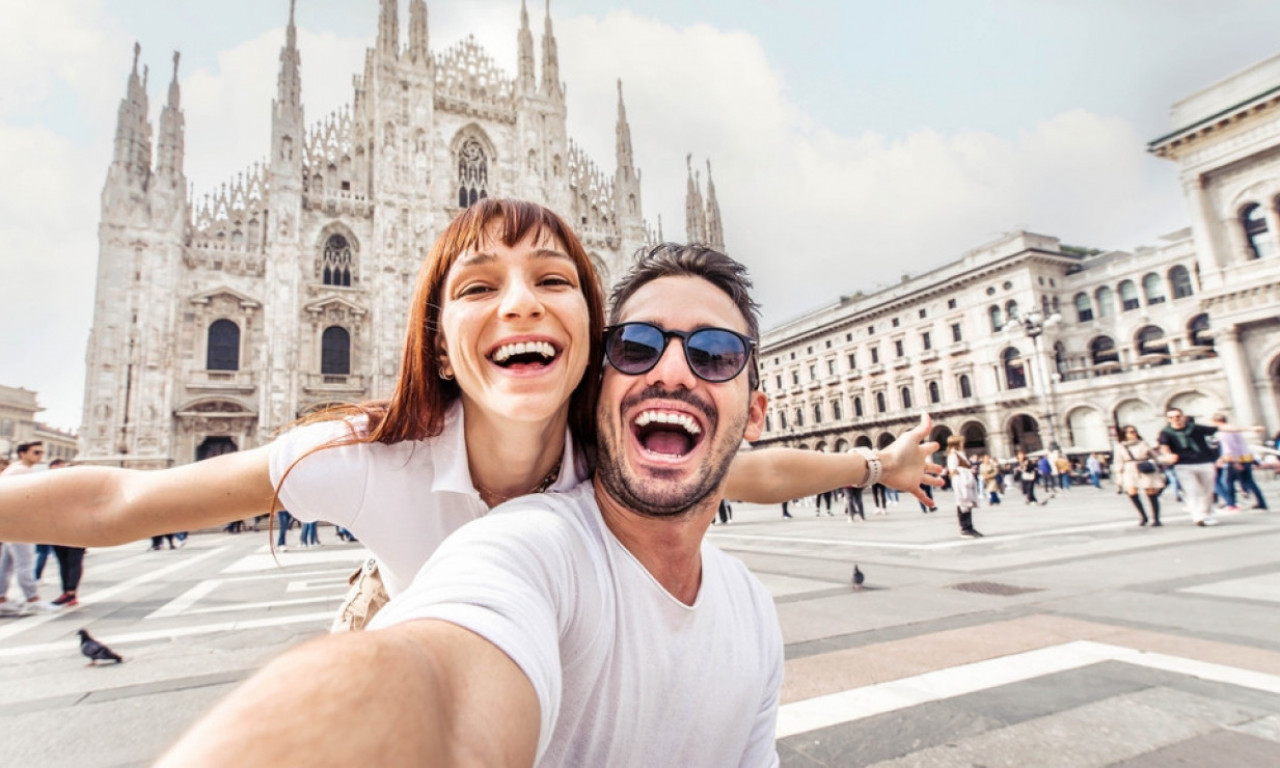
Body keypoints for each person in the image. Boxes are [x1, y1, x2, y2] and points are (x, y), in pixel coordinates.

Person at [157, 243, 943, 767]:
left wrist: (877, 464)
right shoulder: (509, 533)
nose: (674, 371)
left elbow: (753, 473)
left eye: (714, 354)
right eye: (637, 346)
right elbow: (429, 682)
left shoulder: (744, 607)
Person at [0, 199, 937, 626]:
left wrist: (877, 467)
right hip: (415, 664)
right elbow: (120, 501)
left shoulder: (608, 451)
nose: (520, 303)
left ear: (594, 335)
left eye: (554, 281)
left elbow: (749, 469)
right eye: (479, 286)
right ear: (440, 348)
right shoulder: (370, 456)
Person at [1157, 408, 1255, 527]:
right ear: (1168, 419)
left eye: (1178, 416)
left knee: (1208, 491)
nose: (1175, 419)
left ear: (1183, 416)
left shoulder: (1195, 428)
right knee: (1192, 491)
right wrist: (1168, 455)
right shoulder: (1166, 432)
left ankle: (1205, 514)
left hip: (1204, 462)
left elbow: (1221, 428)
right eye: (1171, 417)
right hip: (1183, 465)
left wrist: (1248, 429)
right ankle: (1199, 517)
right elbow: (1164, 446)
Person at [0, 442, 54, 615]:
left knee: (6, 564)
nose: (40, 456)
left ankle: (1, 599)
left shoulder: (13, 470)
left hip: (9, 523)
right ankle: (32, 599)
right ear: (22, 454)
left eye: (41, 452)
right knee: (25, 562)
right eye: (36, 452)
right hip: (19, 524)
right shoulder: (22, 472)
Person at [1211, 412, 1268, 512]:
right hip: (1246, 457)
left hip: (1233, 459)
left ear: (1216, 422)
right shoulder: (1235, 430)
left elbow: (1229, 448)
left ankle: (1231, 504)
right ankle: (1261, 502)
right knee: (1250, 482)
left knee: (1228, 482)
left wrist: (1234, 461)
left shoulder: (1224, 433)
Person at [1113, 425, 1166, 527]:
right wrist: (1119, 478)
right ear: (1125, 434)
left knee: (1151, 492)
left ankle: (1156, 518)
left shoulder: (1143, 443)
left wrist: (1166, 460)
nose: (1134, 433)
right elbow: (1118, 462)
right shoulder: (1120, 446)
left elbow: (1155, 456)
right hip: (1129, 469)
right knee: (1132, 492)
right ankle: (1143, 516)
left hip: (1144, 467)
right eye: (1131, 432)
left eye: (1135, 431)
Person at [946, 436, 981, 537]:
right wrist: (968, 470)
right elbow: (953, 470)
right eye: (961, 442)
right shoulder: (953, 455)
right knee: (962, 503)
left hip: (965, 481)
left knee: (968, 503)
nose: (963, 443)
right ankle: (964, 528)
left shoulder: (960, 454)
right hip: (960, 481)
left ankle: (970, 527)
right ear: (956, 443)